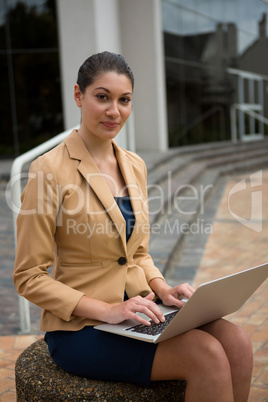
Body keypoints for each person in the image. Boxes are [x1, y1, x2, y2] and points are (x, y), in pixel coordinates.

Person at [13, 51, 253, 401]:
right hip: (83, 327)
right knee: (207, 355)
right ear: (79, 96)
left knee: (238, 342)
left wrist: (162, 287)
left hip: (138, 311)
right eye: (102, 97)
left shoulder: (134, 164)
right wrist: (109, 310)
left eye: (124, 100)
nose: (114, 111)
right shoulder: (48, 170)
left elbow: (136, 252)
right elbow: (28, 276)